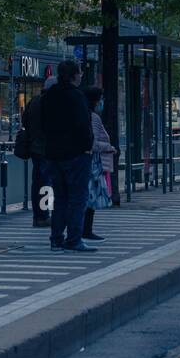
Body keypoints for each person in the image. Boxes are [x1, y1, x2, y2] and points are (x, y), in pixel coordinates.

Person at [41, 59, 95, 252]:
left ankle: (56, 238)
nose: (81, 75)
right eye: (79, 72)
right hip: (76, 154)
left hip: (54, 154)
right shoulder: (76, 96)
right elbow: (83, 126)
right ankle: (74, 238)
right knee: (77, 197)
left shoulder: (49, 96)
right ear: (73, 75)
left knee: (61, 197)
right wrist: (87, 147)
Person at [82, 86, 115, 241]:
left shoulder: (86, 114)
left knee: (87, 197)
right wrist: (109, 147)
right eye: (101, 98)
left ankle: (84, 230)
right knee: (90, 198)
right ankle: (85, 230)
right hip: (93, 163)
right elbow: (93, 143)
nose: (102, 102)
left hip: (88, 162)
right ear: (96, 100)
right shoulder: (93, 117)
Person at [23, 76, 56, 227]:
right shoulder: (50, 102)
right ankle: (44, 215)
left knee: (37, 182)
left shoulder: (33, 101)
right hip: (46, 148)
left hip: (34, 147)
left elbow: (25, 122)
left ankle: (38, 215)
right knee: (46, 183)